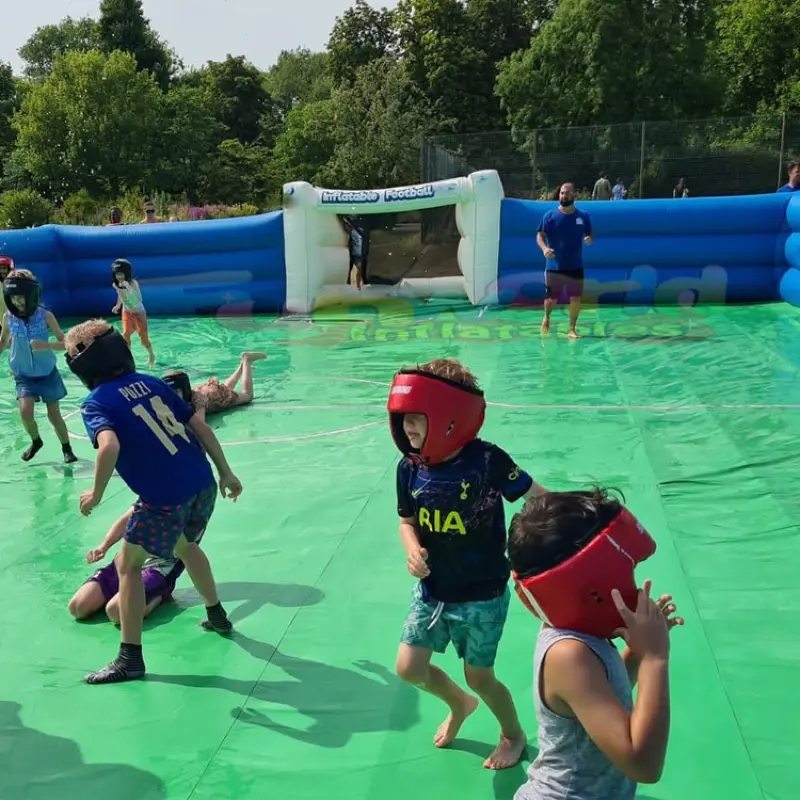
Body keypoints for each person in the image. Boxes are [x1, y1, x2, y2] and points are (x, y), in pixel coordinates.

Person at [388, 358, 548, 770]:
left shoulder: (487, 461)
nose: (407, 428)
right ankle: (459, 703)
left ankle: (512, 734)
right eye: (403, 418)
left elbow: (537, 496)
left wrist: (580, 521)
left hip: (482, 593)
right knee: (409, 668)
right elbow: (407, 521)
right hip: (433, 591)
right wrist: (411, 548)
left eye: (417, 418)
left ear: (449, 418)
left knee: (481, 675)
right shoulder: (410, 468)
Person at [64, 319, 243, 684]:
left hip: (164, 499)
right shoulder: (152, 382)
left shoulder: (97, 402)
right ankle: (218, 615)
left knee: (127, 563)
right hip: (201, 484)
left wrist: (95, 494)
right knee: (185, 546)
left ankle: (129, 658)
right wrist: (226, 472)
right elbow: (201, 427)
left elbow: (109, 446)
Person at [508, 487, 684, 800]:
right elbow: (643, 765)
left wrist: (640, 652)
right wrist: (656, 658)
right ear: (592, 587)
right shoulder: (568, 654)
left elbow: (606, 689)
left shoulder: (579, 632)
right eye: (628, 571)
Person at [0, 270, 77, 463]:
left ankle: (66, 448)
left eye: (21, 298)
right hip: (23, 375)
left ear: (32, 295)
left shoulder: (46, 316)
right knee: (25, 413)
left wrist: (45, 345)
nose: (17, 302)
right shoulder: (8, 317)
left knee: (54, 414)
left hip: (47, 373)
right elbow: (3, 341)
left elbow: (66, 343)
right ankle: (36, 441)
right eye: (13, 298)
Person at [68, 506, 191, 623]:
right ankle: (118, 595)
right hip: (123, 563)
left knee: (117, 612)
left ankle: (158, 596)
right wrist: (103, 547)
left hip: (156, 570)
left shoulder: (186, 503)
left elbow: (189, 550)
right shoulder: (150, 494)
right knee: (77, 607)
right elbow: (125, 520)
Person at [537, 182, 593, 338]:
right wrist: (544, 249)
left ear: (574, 194)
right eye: (562, 193)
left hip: (575, 265)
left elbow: (589, 233)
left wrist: (589, 238)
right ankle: (547, 318)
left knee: (575, 298)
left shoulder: (583, 216)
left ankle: (572, 329)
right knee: (551, 299)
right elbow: (540, 235)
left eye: (567, 193)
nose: (564, 196)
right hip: (554, 266)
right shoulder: (549, 216)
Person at [162, 351, 267, 421]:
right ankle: (242, 364)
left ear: (184, 391)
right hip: (210, 391)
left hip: (215, 395)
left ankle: (247, 362)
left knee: (248, 396)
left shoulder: (198, 401)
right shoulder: (178, 397)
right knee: (225, 389)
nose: (172, 395)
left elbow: (200, 422)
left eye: (176, 392)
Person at [111, 258, 155, 367]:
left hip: (139, 312)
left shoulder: (133, 283)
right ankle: (128, 358)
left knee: (143, 337)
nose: (119, 277)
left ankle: (151, 355)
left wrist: (128, 287)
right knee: (125, 334)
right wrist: (118, 305)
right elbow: (120, 295)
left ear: (127, 273)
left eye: (122, 274)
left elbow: (138, 299)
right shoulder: (115, 284)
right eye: (117, 274)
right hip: (127, 312)